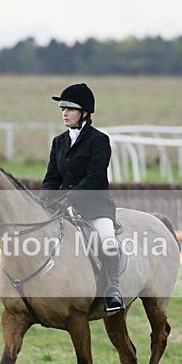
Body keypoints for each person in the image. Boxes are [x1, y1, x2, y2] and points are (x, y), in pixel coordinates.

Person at [39, 83, 124, 313]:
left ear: (84, 113)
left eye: (70, 109)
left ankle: (113, 290)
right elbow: (51, 177)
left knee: (106, 238)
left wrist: (70, 198)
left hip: (94, 207)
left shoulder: (99, 140)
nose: (64, 113)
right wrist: (43, 202)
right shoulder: (59, 142)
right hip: (62, 206)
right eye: (62, 109)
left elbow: (94, 177)